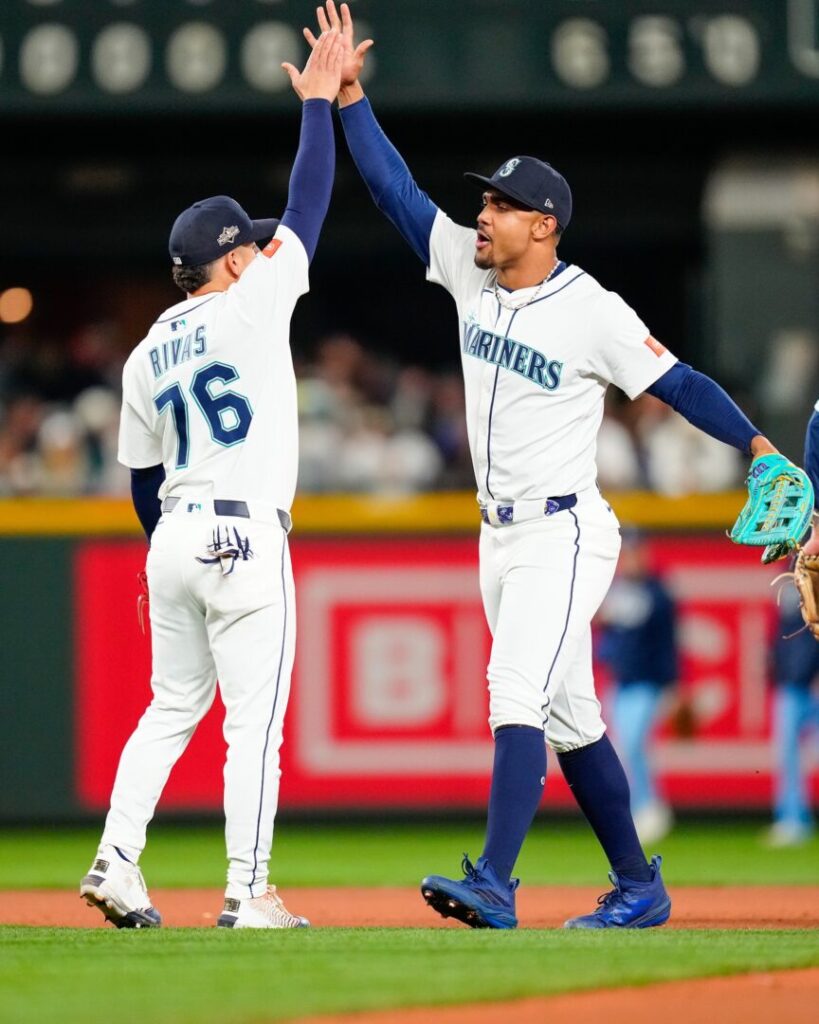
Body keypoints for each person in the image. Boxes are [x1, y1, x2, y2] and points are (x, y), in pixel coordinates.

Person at [301, 3, 809, 931]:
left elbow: (678, 381)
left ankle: (494, 881)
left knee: (512, 691)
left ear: (543, 224)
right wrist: (350, 101)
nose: (481, 214)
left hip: (565, 530)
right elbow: (393, 192)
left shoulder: (592, 310)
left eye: (499, 205)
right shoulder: (468, 269)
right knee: (572, 720)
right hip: (498, 537)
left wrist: (758, 445)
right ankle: (639, 887)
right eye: (483, 202)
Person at [78, 30, 344, 930]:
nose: (265, 252)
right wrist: (317, 105)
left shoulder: (144, 349)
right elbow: (309, 201)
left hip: (175, 533)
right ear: (231, 260)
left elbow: (140, 481)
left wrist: (167, 551)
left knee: (169, 706)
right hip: (244, 533)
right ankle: (249, 891)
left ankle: (117, 861)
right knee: (253, 723)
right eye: (251, 247)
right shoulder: (252, 302)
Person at [595, 529, 678, 845]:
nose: (630, 559)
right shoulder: (615, 589)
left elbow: (669, 642)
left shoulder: (658, 592)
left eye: (634, 552)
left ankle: (649, 807)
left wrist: (673, 686)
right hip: (621, 682)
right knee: (623, 750)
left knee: (632, 745)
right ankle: (638, 810)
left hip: (648, 682)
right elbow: (607, 635)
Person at [764, 403, 819, 846]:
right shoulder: (798, 565)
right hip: (793, 683)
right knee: (784, 749)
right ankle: (792, 817)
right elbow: (778, 634)